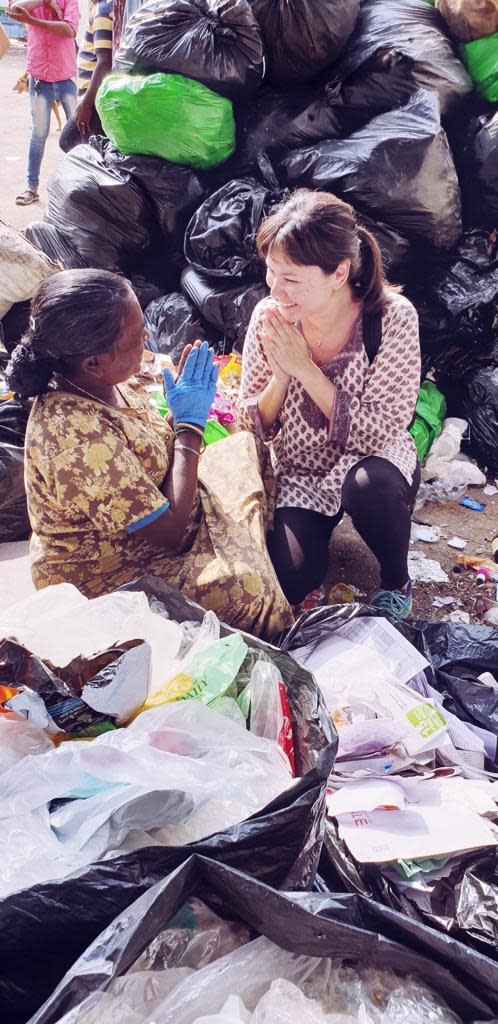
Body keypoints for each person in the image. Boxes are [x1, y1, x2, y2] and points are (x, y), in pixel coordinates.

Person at [6, 269, 292, 640]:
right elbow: (170, 533)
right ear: (93, 361)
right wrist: (189, 427)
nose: (147, 340)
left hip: (158, 513)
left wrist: (178, 417)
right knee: (248, 589)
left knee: (244, 445)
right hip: (112, 572)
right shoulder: (74, 438)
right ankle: (260, 581)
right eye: (137, 337)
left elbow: (143, 451)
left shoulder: (97, 382)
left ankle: (254, 553)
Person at [236, 189, 421, 619]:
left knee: (369, 486)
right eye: (271, 273)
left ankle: (397, 579)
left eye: (292, 279)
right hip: (300, 470)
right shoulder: (269, 317)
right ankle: (316, 530)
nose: (275, 289)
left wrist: (306, 370)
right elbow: (250, 424)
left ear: (339, 274)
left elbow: (383, 427)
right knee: (291, 578)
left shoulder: (391, 318)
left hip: (370, 460)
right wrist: (280, 377)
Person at [8, 0, 78, 205]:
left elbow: (70, 29)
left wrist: (32, 21)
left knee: (77, 133)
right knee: (39, 134)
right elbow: (13, 10)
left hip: (65, 77)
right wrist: (45, 1)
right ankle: (32, 188)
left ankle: (79, 185)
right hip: (39, 78)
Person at [59, 0, 113, 152]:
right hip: (94, 99)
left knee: (70, 142)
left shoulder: (103, 11)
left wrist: (87, 104)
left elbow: (104, 63)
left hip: (95, 101)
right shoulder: (101, 9)